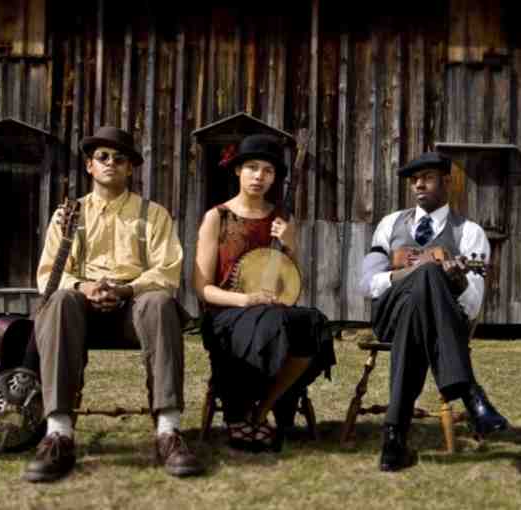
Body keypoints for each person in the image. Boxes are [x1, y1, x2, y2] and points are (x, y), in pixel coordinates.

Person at [25, 126, 204, 482]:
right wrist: (84, 286)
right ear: (89, 166)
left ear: (130, 168)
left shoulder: (153, 214)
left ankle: (168, 431)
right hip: (80, 310)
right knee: (59, 299)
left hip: (133, 309)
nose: (111, 163)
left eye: (119, 158)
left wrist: (125, 290)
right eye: (102, 157)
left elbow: (166, 271)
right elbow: (48, 275)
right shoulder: (69, 214)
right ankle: (58, 434)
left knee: (159, 301)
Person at [359, 151, 509, 472]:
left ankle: (394, 437)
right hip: (390, 316)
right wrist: (411, 273)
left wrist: (456, 280)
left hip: (435, 322)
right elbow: (368, 284)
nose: (418, 185)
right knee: (427, 273)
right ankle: (469, 393)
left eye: (427, 178)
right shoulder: (390, 224)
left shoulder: (469, 233)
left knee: (417, 312)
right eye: (414, 180)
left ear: (447, 182)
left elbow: (471, 306)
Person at [193, 134, 336, 452]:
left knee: (312, 322)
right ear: (237, 170)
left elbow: (292, 283)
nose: (259, 176)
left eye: (268, 170)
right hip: (227, 314)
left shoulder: (281, 219)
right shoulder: (217, 217)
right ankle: (238, 412)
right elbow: (202, 288)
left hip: (272, 313)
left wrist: (291, 244)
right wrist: (246, 299)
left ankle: (262, 409)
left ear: (274, 177)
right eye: (252, 167)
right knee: (271, 322)